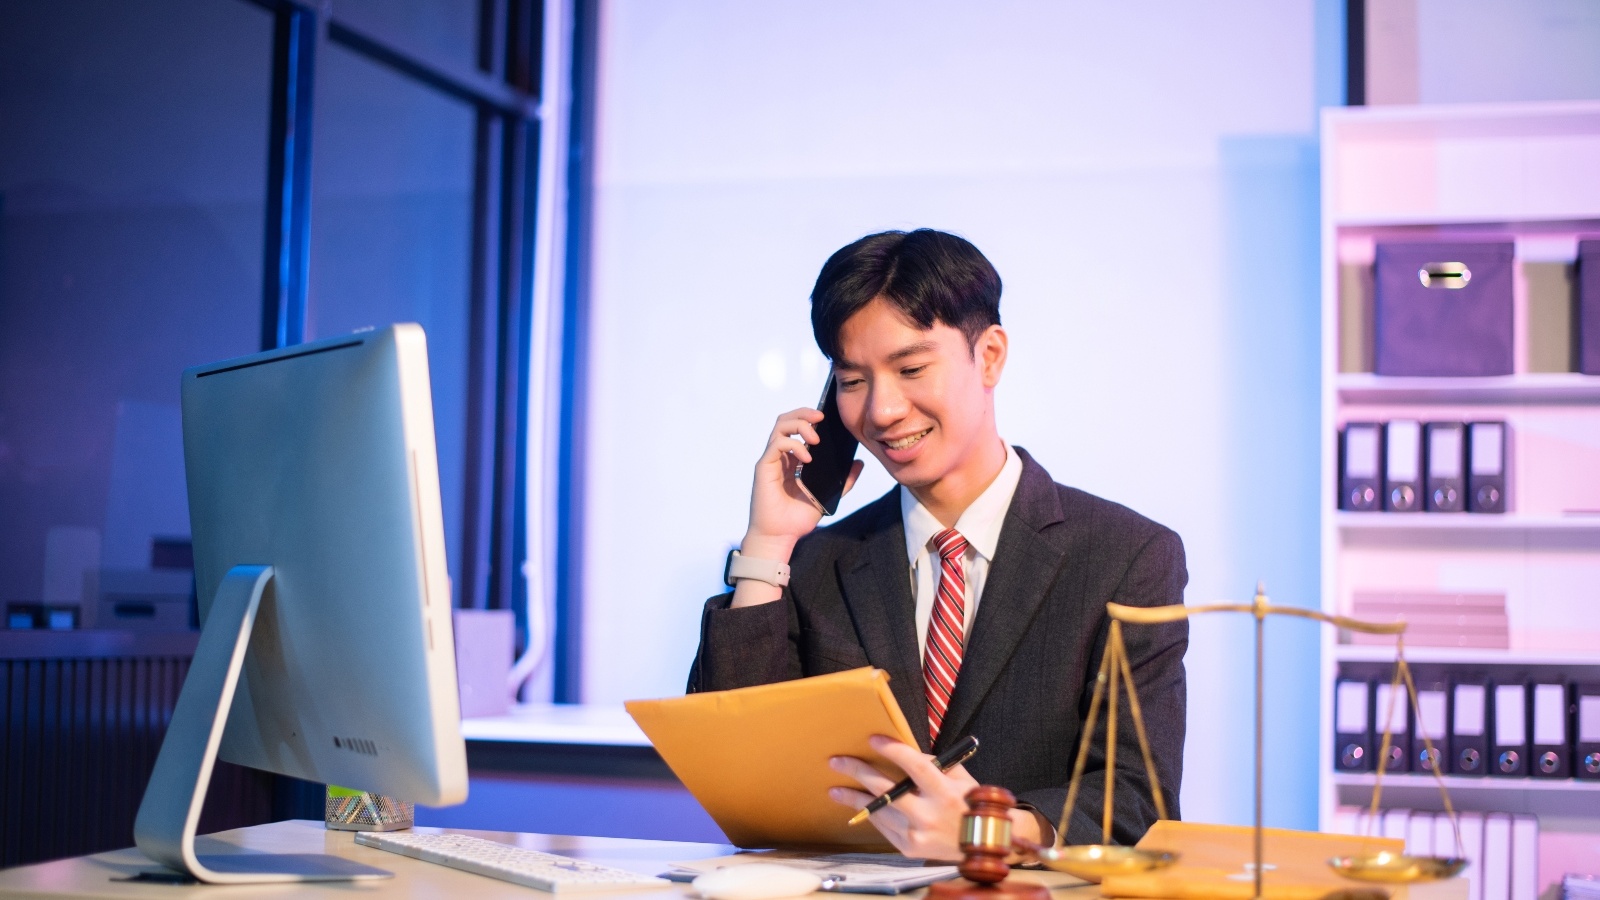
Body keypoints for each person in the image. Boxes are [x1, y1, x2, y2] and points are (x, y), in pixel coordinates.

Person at [686, 229, 1187, 861]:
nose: (884, 409)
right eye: (851, 379)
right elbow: (738, 769)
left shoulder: (1127, 556)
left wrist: (990, 831)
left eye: (911, 368)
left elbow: (1140, 799)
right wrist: (767, 543)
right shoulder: (814, 561)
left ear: (991, 356)